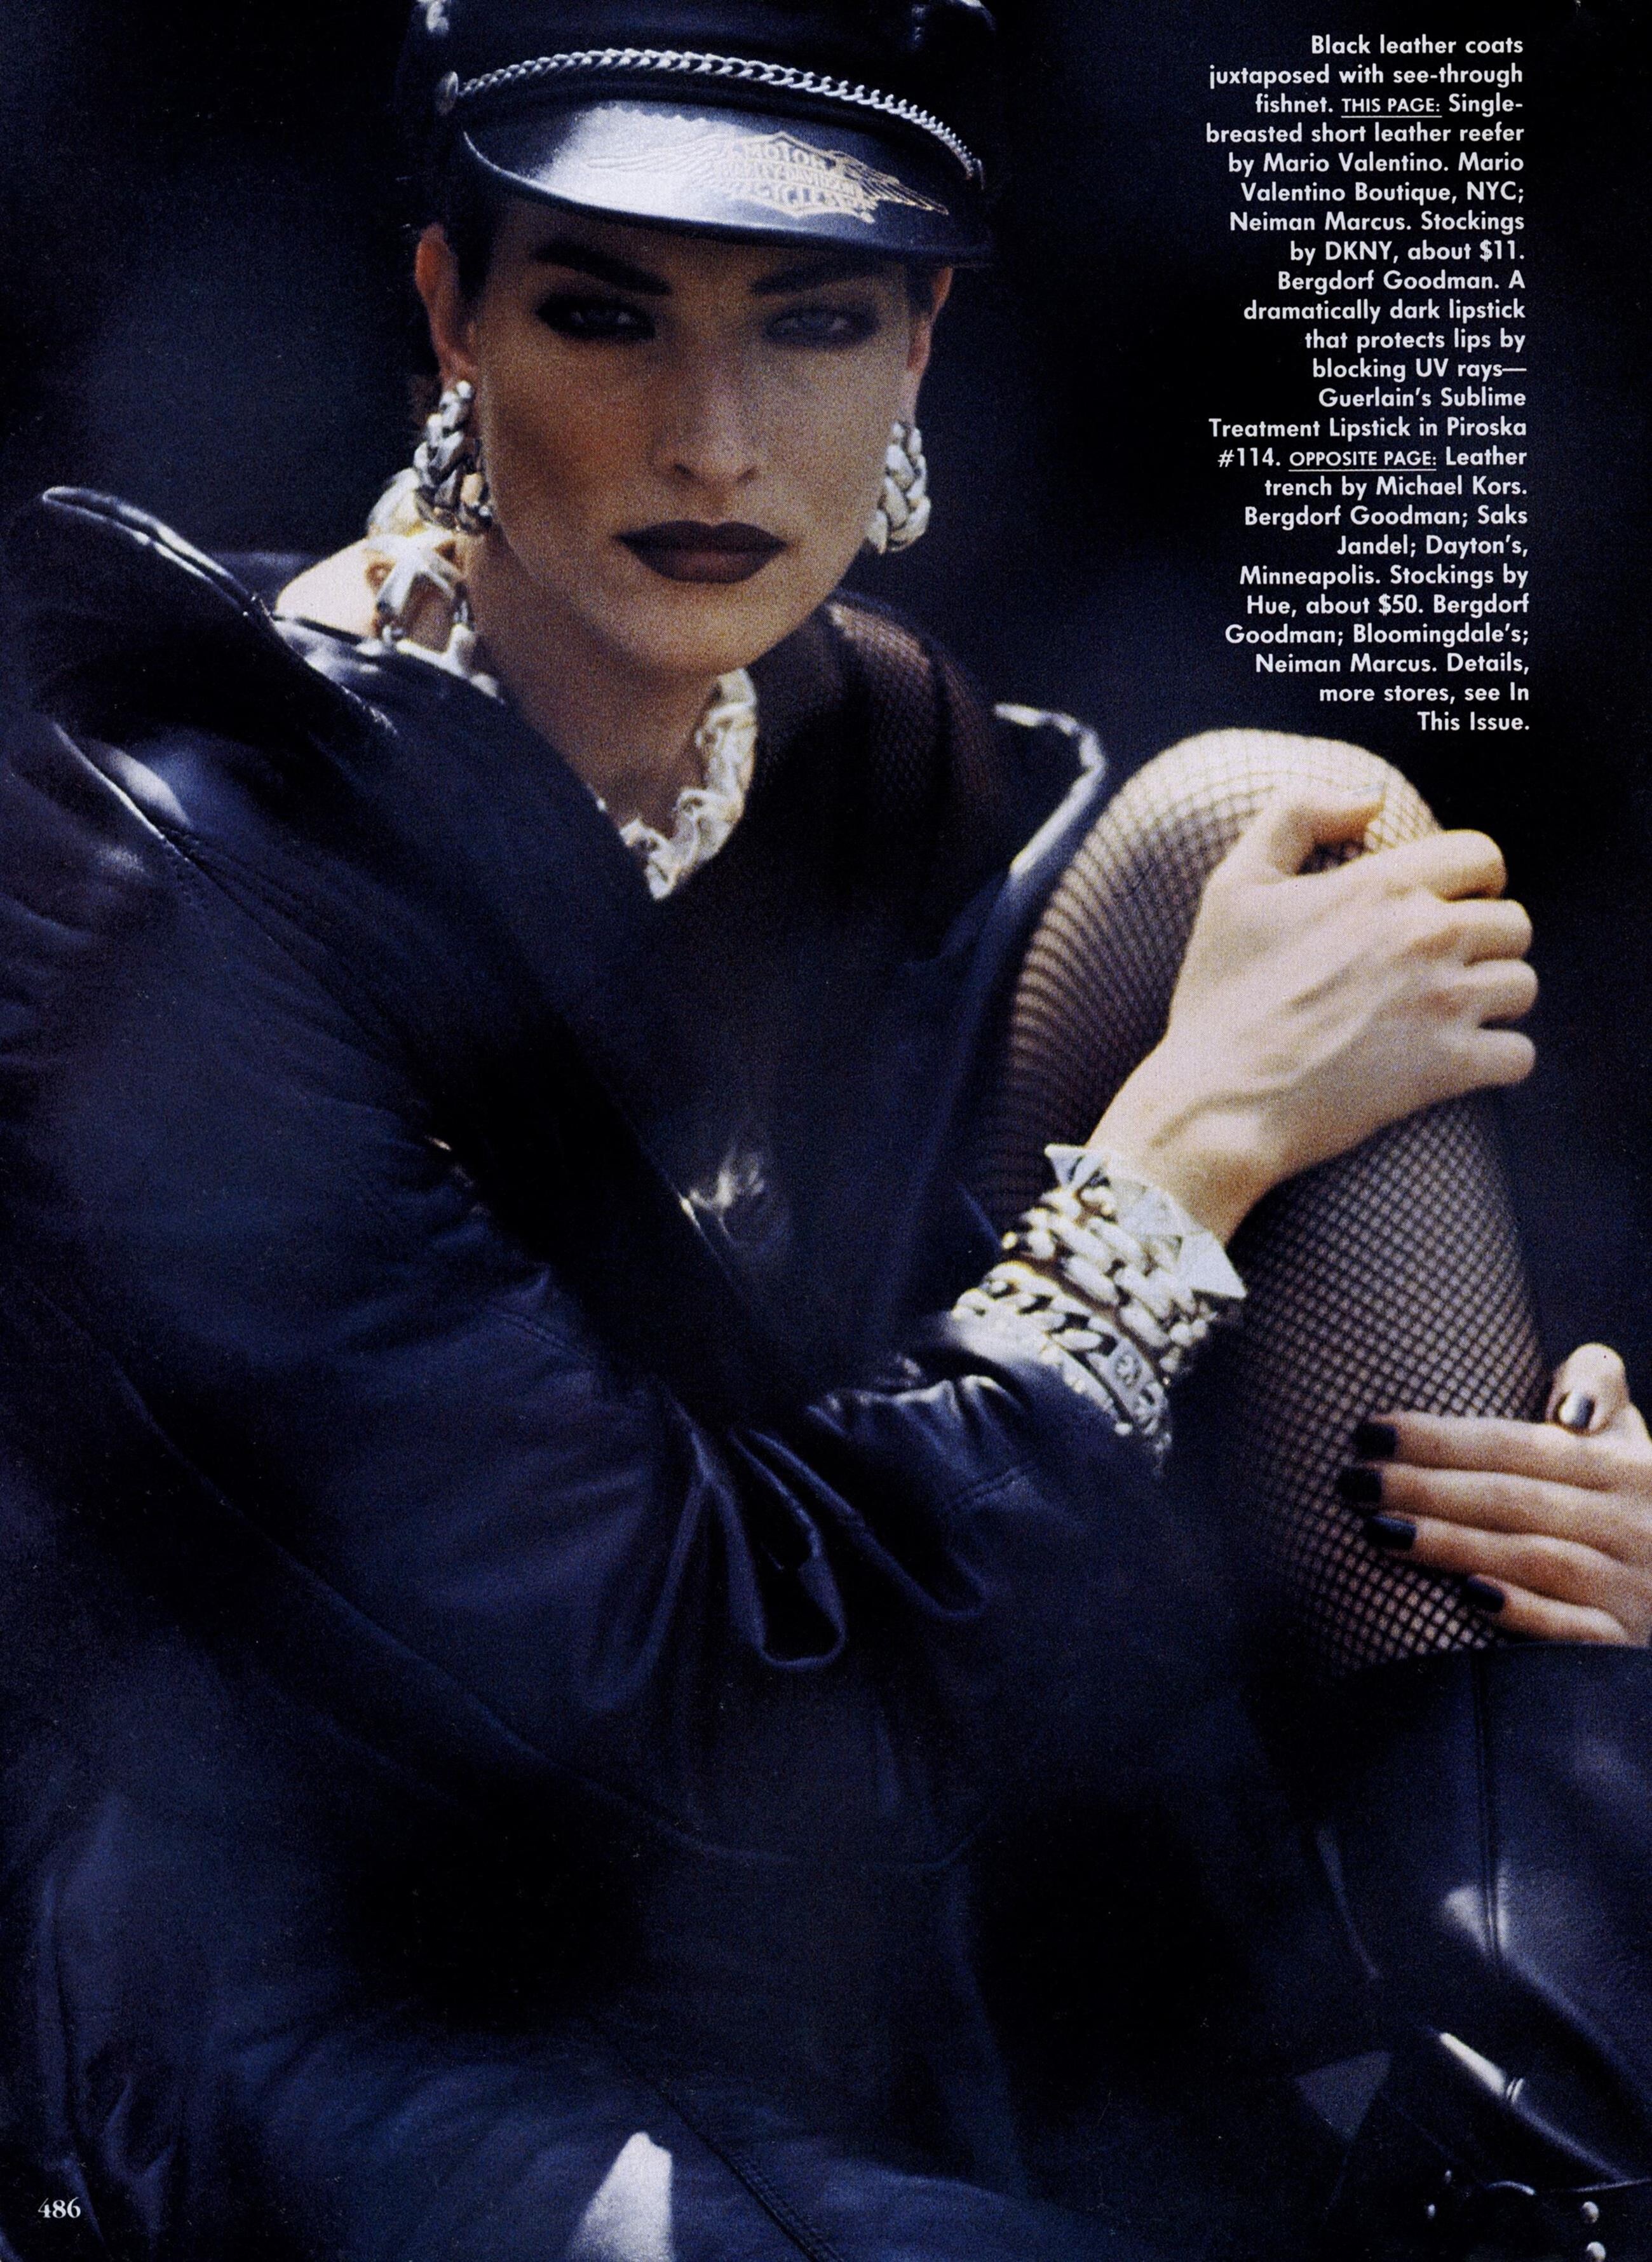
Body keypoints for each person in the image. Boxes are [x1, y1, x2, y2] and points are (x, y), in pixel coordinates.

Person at [1, 4, 1649, 2257]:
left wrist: (1540, 1536)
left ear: (921, 349)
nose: (713, 438)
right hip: (360, 1987)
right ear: (451, 313)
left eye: (814, 322)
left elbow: (987, 1464)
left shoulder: (873, 764)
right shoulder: (179, 876)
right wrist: (1185, 1154)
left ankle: (1537, 2171)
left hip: (856, 1912)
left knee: (1287, 843)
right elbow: (684, 1695)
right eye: (605, 314)